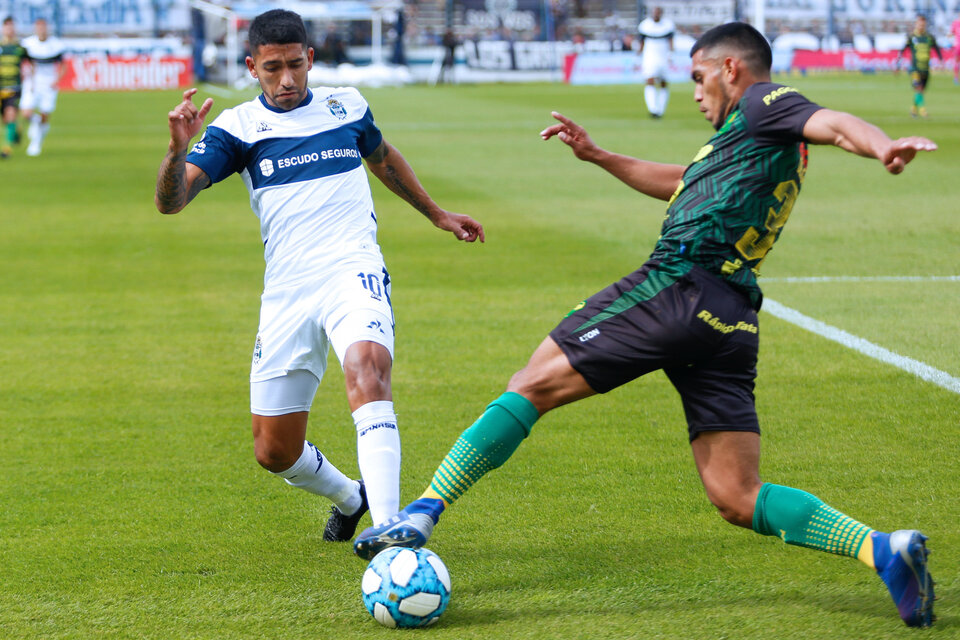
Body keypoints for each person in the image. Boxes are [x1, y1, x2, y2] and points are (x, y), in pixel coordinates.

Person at [354, 22, 937, 629]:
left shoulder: (766, 102)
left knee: (532, 383)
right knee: (738, 496)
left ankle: (423, 509)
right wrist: (598, 154)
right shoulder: (745, 140)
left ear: (731, 68)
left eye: (697, 77)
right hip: (731, 317)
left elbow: (833, 121)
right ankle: (882, 549)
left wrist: (882, 146)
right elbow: (681, 184)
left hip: (680, 284)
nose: (695, 92)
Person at [154, 10, 484, 544]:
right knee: (274, 450)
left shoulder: (345, 104)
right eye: (271, 69)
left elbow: (381, 157)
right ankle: (350, 498)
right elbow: (171, 202)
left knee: (367, 368)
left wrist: (437, 214)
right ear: (251, 68)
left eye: (294, 66)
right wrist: (175, 151)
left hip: (352, 267)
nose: (286, 80)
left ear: (310, 58)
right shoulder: (236, 128)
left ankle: (389, 528)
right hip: (287, 290)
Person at [21, 18, 65, 157]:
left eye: (43, 27)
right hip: (33, 82)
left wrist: (56, 80)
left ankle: (36, 144)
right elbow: (24, 62)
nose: (41, 30)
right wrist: (26, 77)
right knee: (26, 113)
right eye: (38, 27)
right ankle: (36, 122)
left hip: (49, 83)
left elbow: (64, 64)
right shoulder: (27, 44)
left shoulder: (56, 45)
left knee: (45, 114)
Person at [897, 14, 942, 118]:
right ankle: (923, 111)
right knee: (918, 88)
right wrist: (898, 63)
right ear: (916, 24)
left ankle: (913, 109)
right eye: (919, 24)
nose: (921, 26)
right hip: (915, 68)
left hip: (925, 68)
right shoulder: (912, 37)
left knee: (921, 91)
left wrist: (941, 60)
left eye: (923, 24)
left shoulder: (929, 37)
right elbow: (902, 50)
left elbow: (937, 49)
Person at [636, 6, 674, 118]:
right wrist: (638, 58)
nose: (656, 14)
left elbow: (671, 41)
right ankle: (653, 109)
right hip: (650, 57)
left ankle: (661, 109)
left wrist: (671, 55)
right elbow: (641, 43)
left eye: (658, 12)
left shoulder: (668, 25)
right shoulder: (644, 25)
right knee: (650, 81)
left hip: (663, 57)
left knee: (663, 83)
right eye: (654, 12)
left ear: (661, 13)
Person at [0, 16, 27, 158]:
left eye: (12, 27)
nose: (10, 30)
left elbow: (31, 64)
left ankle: (6, 150)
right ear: (3, 29)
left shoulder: (20, 47)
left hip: (14, 88)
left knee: (10, 115)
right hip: (0, 88)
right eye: (7, 27)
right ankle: (16, 130)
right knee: (6, 120)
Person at [951, 13, 960, 84]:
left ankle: (956, 78)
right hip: (957, 46)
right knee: (956, 61)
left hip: (957, 46)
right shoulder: (955, 23)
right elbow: (952, 33)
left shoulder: (955, 23)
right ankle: (956, 78)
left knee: (956, 62)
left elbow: (951, 33)